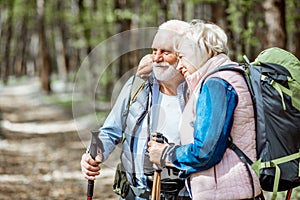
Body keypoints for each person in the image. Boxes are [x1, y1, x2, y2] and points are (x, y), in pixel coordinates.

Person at [147, 20, 263, 199]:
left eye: (182, 57)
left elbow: (205, 152)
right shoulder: (226, 76)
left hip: (227, 193)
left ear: (198, 51)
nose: (179, 66)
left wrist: (165, 154)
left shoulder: (216, 84)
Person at [81, 20, 191, 200]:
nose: (156, 58)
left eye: (165, 52)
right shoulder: (138, 86)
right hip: (136, 194)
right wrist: (92, 154)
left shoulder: (199, 92)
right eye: (154, 51)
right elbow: (109, 131)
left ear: (183, 56)